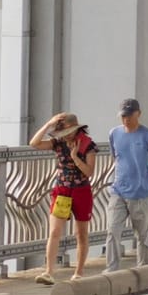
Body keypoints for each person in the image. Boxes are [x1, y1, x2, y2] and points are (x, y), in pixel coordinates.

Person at [32, 112, 96, 284]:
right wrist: (48, 124)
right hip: (62, 190)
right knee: (54, 231)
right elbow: (34, 143)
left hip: (81, 190)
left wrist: (75, 157)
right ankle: (48, 271)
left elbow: (89, 172)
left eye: (68, 131)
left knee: (81, 233)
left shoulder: (87, 145)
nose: (66, 136)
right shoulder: (58, 143)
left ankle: (79, 272)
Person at [104, 98, 148, 273]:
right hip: (118, 190)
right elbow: (115, 157)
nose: (125, 119)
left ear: (138, 114)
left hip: (141, 192)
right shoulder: (114, 133)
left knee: (142, 233)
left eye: (129, 115)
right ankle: (111, 268)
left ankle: (144, 267)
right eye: (123, 116)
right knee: (112, 230)